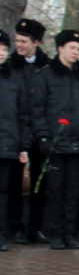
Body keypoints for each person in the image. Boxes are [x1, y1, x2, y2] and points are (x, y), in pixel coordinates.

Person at [30, 29, 79, 250]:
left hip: (77, 144)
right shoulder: (45, 76)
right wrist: (42, 135)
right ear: (60, 48)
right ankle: (56, 233)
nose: (75, 52)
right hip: (55, 143)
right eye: (72, 48)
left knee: (73, 191)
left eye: (78, 49)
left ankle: (69, 232)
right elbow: (38, 109)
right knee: (55, 190)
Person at [5, 18, 49, 245]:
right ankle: (16, 227)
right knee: (13, 184)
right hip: (15, 135)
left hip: (41, 134)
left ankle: (35, 227)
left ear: (36, 42)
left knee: (40, 185)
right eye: (17, 40)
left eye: (24, 41)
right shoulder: (10, 66)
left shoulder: (47, 67)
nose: (19, 45)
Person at [0, 30, 31, 252]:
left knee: (3, 193)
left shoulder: (14, 79)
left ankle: (1, 234)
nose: (1, 53)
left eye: (3, 49)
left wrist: (22, 146)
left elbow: (22, 115)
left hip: (8, 145)